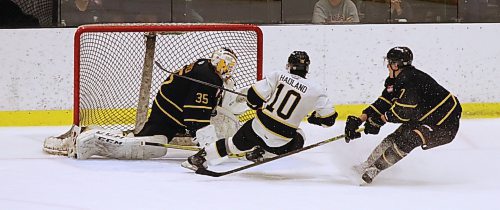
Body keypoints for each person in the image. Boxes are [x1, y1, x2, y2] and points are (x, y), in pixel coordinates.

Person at [68, 48, 238, 160]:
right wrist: (209, 147)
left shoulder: (204, 66)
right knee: (152, 143)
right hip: (168, 116)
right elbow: (195, 115)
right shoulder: (208, 78)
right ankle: (93, 137)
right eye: (228, 66)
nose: (229, 70)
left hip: (167, 111)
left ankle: (101, 135)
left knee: (156, 146)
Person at [181, 51, 339, 171]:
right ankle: (261, 154)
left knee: (232, 145)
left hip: (258, 127)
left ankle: (198, 159)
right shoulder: (316, 90)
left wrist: (254, 105)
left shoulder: (278, 75)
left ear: (289, 65)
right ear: (307, 68)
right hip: (282, 139)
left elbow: (254, 95)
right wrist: (314, 119)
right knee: (300, 137)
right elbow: (329, 119)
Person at [344, 46, 462, 184]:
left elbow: (402, 113)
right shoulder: (395, 80)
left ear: (396, 65)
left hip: (444, 126)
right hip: (424, 117)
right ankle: (367, 165)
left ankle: (375, 169)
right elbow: (384, 103)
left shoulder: (410, 81)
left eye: (389, 63)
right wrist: (360, 119)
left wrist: (380, 120)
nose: (387, 66)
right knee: (394, 137)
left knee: (409, 139)